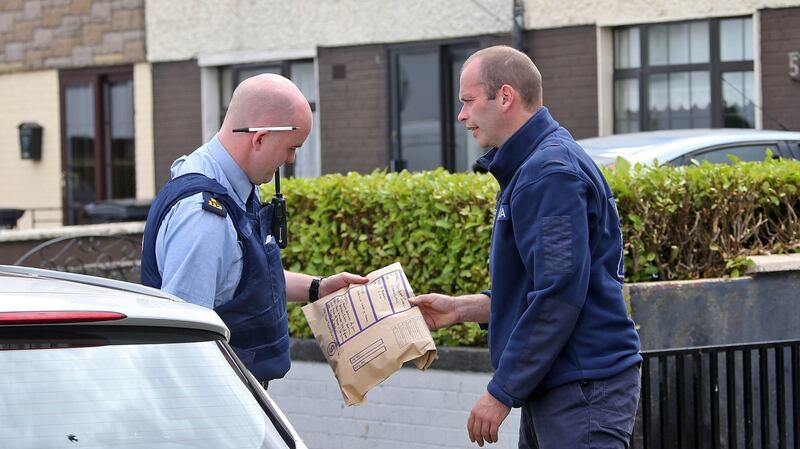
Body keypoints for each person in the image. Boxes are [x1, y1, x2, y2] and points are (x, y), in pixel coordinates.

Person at [409, 46, 642, 448]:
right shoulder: (537, 164)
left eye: (467, 101)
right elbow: (547, 285)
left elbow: (557, 295)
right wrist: (461, 309)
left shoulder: (547, 173)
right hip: (568, 385)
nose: (461, 116)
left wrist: (501, 391)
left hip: (580, 388)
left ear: (504, 96)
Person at [141, 73, 367, 384]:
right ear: (259, 138)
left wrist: (317, 287)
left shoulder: (234, 185)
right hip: (217, 405)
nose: (291, 159)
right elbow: (183, 339)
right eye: (291, 148)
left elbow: (241, 277)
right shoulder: (204, 217)